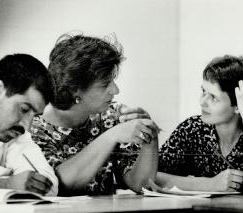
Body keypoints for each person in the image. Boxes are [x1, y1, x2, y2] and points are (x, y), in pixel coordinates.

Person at [30, 34, 159, 196]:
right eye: (106, 84)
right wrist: (112, 136)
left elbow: (141, 184)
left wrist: (149, 136)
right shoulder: (34, 127)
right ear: (75, 90)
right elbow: (60, 185)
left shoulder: (111, 116)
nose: (116, 90)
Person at [157, 55, 243, 196]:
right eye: (203, 92)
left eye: (213, 97)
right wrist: (209, 184)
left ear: (239, 105)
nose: (203, 102)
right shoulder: (192, 129)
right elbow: (150, 176)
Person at [0, 54, 58, 195]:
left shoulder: (13, 135)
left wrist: (31, 183)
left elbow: (48, 184)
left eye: (35, 115)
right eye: (24, 109)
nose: (27, 126)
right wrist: (6, 184)